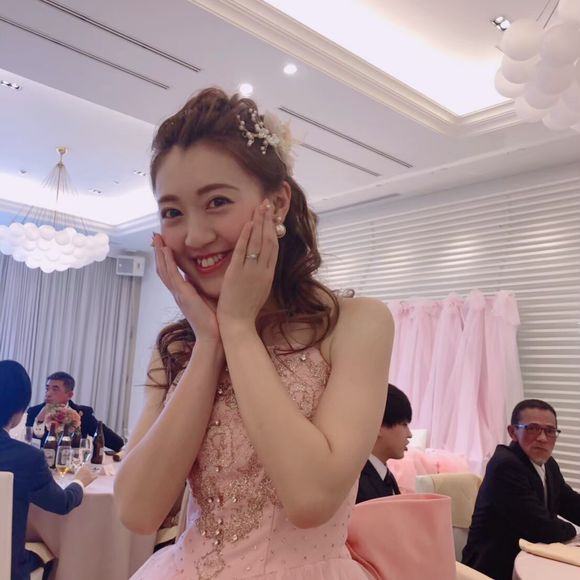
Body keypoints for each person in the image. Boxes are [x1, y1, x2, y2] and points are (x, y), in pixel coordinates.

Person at [114, 88, 394, 579]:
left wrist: (239, 329)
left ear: (277, 202)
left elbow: (311, 499)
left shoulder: (356, 324)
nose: (194, 236)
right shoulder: (179, 345)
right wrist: (209, 344)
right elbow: (137, 511)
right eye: (172, 212)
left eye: (217, 202)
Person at [462, 398, 580, 580]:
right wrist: (574, 530)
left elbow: (567, 500)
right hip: (493, 568)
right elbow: (541, 527)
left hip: (530, 556)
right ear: (513, 432)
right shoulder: (504, 466)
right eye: (533, 429)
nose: (542, 438)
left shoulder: (548, 463)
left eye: (549, 431)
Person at [0, 360, 97, 580]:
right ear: (19, 412)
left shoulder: (79, 414)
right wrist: (80, 481)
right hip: (6, 567)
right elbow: (62, 503)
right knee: (48, 551)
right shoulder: (27, 458)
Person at [26, 371, 124, 452]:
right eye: (47, 388)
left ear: (69, 395)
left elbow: (116, 443)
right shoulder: (34, 411)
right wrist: (41, 416)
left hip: (71, 465)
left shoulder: (83, 413)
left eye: (55, 389)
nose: (48, 393)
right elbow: (28, 444)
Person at [356, 384, 412, 503]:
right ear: (378, 426)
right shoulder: (357, 483)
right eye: (404, 424)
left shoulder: (384, 475)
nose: (409, 434)